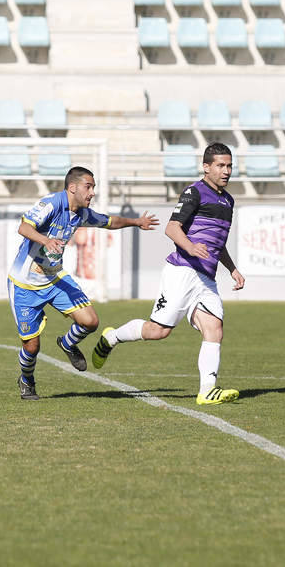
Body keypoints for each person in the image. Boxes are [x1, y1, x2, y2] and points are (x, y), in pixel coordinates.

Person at [91, 142, 245, 406]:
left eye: (229, 165)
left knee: (214, 328)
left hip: (205, 278)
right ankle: (111, 337)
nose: (226, 171)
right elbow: (172, 229)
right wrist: (192, 247)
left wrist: (232, 269)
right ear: (206, 167)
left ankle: (207, 390)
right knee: (158, 331)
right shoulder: (194, 192)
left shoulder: (228, 201)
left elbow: (217, 243)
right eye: (220, 165)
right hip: (183, 271)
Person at [8, 166, 159, 400]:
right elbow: (24, 227)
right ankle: (26, 380)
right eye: (89, 187)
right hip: (24, 284)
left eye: (93, 188)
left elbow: (109, 221)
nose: (92, 193)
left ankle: (67, 344)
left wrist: (136, 222)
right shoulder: (51, 203)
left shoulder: (80, 214)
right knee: (32, 347)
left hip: (54, 278)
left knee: (91, 321)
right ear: (72, 187)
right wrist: (46, 240)